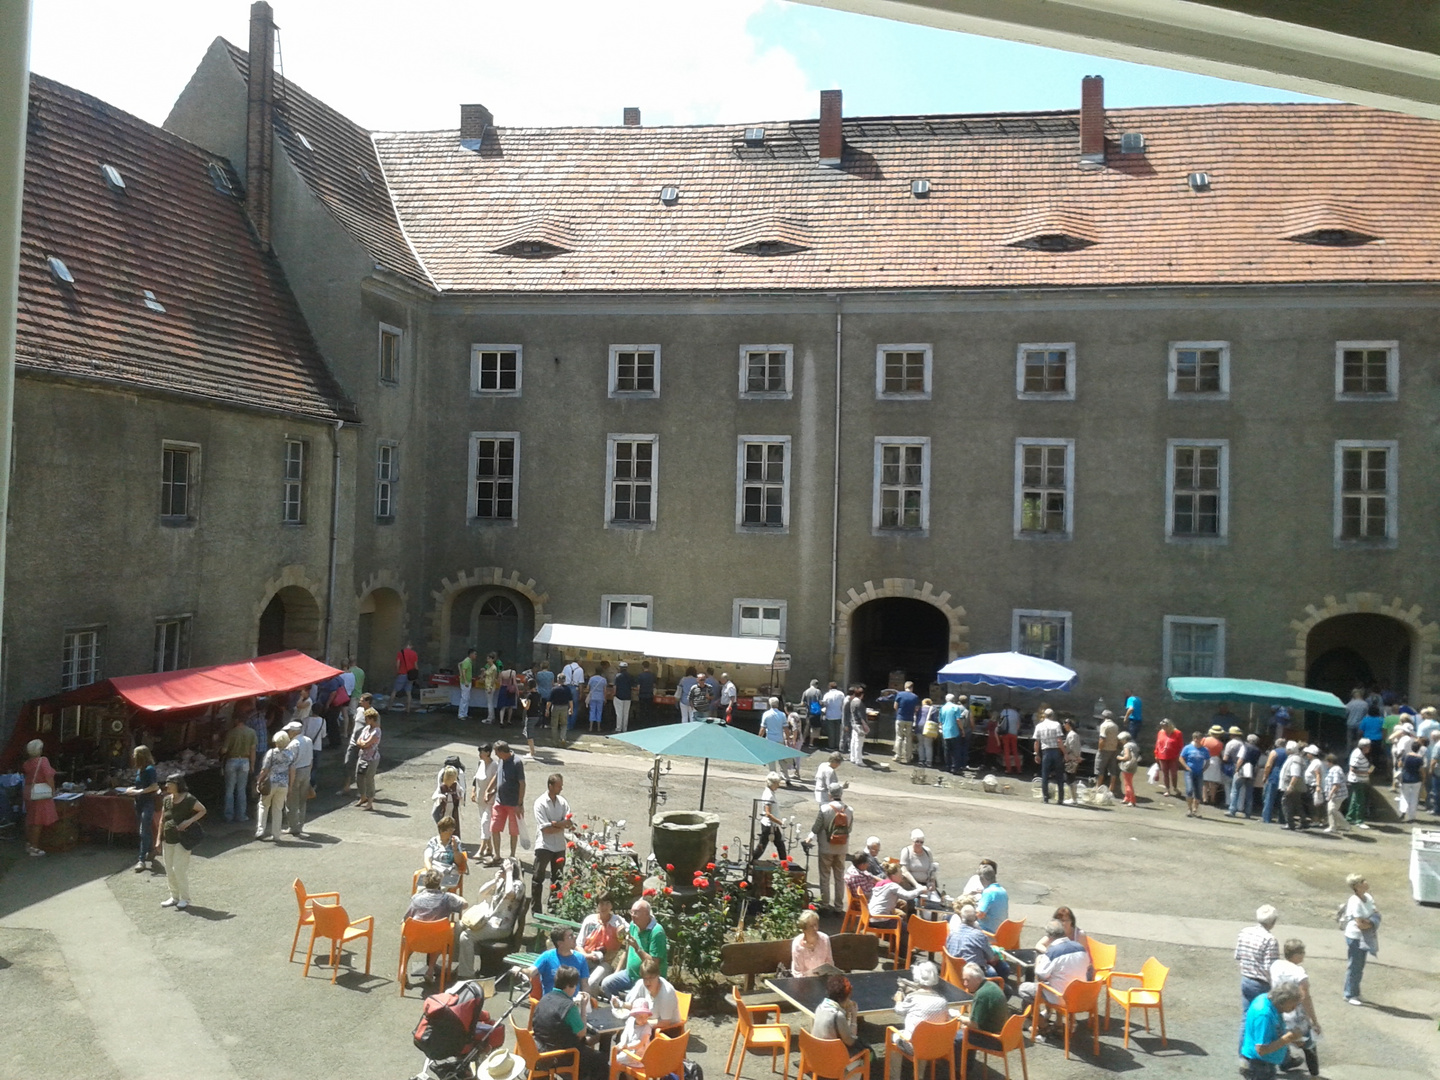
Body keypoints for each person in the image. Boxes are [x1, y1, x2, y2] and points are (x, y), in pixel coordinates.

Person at [532, 966, 606, 1080]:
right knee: (600, 1059)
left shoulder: (544, 998)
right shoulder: (568, 1006)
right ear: (569, 986)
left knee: (589, 1051)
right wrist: (583, 1007)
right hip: (561, 1056)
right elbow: (581, 1032)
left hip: (541, 1048)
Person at [404, 868, 471, 987]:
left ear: (424, 882)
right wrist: (456, 896)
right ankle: (430, 971)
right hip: (436, 940)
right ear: (440, 883)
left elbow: (406, 918)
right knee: (443, 933)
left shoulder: (416, 898)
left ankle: (403, 969)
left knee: (407, 938)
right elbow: (464, 905)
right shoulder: (446, 898)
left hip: (416, 938)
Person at [1018, 922, 1091, 1029]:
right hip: (1078, 996)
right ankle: (1059, 1022)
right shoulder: (1080, 948)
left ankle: (1041, 1023)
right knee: (1057, 980)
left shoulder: (1052, 952)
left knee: (1024, 988)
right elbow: (1087, 966)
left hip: (1060, 997)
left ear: (1050, 937)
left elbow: (1040, 974)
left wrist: (1039, 960)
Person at [1270, 939, 1321, 1077]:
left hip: (1279, 1011)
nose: (1304, 955)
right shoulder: (1298, 972)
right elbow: (1305, 997)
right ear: (1296, 955)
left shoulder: (1275, 965)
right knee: (1309, 1045)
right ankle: (1314, 1075)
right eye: (1302, 952)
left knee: (1280, 1039)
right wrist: (1314, 1021)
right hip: (1295, 1015)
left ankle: (1279, 1065)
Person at [600, 899, 667, 997]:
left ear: (646, 914)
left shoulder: (657, 932)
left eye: (636, 913)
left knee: (632, 998)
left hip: (648, 979)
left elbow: (653, 964)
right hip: (629, 975)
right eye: (632, 912)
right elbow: (627, 951)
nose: (632, 915)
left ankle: (629, 1008)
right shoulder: (633, 925)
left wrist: (637, 948)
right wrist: (616, 972)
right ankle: (619, 1009)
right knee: (607, 984)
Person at [159, 774, 206, 909]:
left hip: (182, 839)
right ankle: (174, 896)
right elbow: (162, 820)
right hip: (167, 839)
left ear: (177, 784)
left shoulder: (188, 799)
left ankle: (185, 898)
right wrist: (158, 839)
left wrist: (189, 821)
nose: (166, 785)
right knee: (169, 868)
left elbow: (202, 810)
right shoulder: (167, 800)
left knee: (178, 869)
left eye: (170, 783)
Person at [1240, 982, 1304, 1080]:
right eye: (1292, 1006)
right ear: (1282, 1001)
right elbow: (1261, 1050)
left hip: (1263, 1064)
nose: (1294, 1009)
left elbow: (1273, 1030)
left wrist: (1292, 1038)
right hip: (1259, 1067)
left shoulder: (1266, 999)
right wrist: (1288, 1038)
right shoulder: (1264, 1015)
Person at [956, 962, 1008, 1073]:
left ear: (978, 979)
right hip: (1005, 1035)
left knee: (955, 1037)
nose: (965, 983)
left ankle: (959, 1072)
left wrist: (959, 1017)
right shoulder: (992, 986)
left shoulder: (981, 995)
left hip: (994, 1039)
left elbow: (974, 1025)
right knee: (965, 1031)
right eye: (963, 979)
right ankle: (966, 1067)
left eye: (968, 980)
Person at [808, 783, 853, 910]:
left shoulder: (824, 809)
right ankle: (839, 906)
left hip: (826, 847)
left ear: (829, 794)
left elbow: (816, 828)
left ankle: (825, 904)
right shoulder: (849, 810)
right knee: (839, 877)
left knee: (825, 876)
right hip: (842, 848)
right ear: (841, 794)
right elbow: (849, 829)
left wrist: (810, 838)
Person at [533, 772, 572, 911]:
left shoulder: (562, 802)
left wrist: (555, 824)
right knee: (538, 878)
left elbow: (569, 823)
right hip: (544, 845)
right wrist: (560, 826)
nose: (561, 789)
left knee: (558, 878)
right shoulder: (540, 803)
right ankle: (536, 909)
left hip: (559, 846)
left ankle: (553, 906)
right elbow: (545, 830)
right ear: (550, 786)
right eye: (558, 786)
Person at [892, 962, 950, 1053]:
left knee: (895, 1035)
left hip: (914, 1046)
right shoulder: (943, 1001)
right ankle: (920, 1067)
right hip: (936, 1045)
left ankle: (895, 1068)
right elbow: (948, 1018)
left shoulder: (913, 998)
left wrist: (898, 1000)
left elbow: (899, 1010)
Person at [811, 974, 865, 1072]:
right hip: (833, 1063)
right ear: (847, 996)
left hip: (816, 1058)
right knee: (867, 1052)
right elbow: (851, 1041)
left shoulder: (819, 1007)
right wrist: (853, 1017)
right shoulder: (837, 1015)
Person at [1340, 873, 1379, 1005]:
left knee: (1360, 966)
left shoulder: (1368, 897)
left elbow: (1376, 914)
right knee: (1354, 966)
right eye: (1363, 881)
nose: (1366, 882)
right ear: (1357, 886)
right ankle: (1349, 994)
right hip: (1355, 937)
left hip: (1365, 936)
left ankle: (1355, 992)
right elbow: (1360, 924)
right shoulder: (1354, 901)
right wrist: (1370, 923)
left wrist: (1370, 922)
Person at [578, 894, 629, 993]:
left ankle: (591, 1006)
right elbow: (578, 944)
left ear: (612, 906)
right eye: (601, 903)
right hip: (586, 958)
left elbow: (631, 932)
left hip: (605, 962)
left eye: (607, 903)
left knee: (591, 983)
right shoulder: (590, 920)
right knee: (570, 976)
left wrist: (622, 932)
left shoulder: (618, 921)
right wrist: (586, 955)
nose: (604, 907)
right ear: (597, 905)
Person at [1235, 904, 1280, 1012]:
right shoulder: (1270, 940)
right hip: (1261, 984)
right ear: (1273, 922)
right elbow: (1269, 967)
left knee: (1247, 1016)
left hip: (1245, 979)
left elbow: (1238, 955)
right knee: (1262, 1015)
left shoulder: (1245, 932)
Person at [121, 745, 159, 872]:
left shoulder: (149, 769)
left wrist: (138, 792)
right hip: (139, 803)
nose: (132, 756)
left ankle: (141, 860)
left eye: (135, 754)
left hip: (148, 803)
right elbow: (141, 785)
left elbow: (154, 786)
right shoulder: (140, 770)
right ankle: (151, 850)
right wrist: (131, 790)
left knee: (143, 830)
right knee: (145, 829)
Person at [485, 740, 526, 859]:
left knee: (513, 831)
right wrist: (489, 790)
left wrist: (520, 803)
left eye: (497, 752)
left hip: (513, 803)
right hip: (500, 801)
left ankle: (512, 855)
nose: (496, 755)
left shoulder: (517, 762)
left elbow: (522, 783)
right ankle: (497, 855)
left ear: (502, 751)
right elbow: (497, 775)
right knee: (494, 828)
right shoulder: (501, 760)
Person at [255, 731, 295, 841]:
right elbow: (292, 771)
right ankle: (276, 834)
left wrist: (259, 780)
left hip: (270, 783)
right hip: (283, 784)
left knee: (263, 805)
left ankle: (260, 830)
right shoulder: (290, 754)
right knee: (278, 809)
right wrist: (290, 786)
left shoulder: (271, 753)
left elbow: (265, 770)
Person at [21, 739, 58, 857]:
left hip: (29, 792)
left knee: (30, 819)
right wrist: (53, 790)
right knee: (38, 821)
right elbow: (48, 777)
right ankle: (34, 847)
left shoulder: (27, 763)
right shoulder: (43, 761)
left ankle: (29, 843)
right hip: (40, 794)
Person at [219, 710, 257, 824]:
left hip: (232, 761)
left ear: (236, 720)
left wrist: (220, 750)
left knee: (229, 790)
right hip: (245, 761)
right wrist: (252, 765)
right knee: (241, 790)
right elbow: (253, 750)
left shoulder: (231, 732)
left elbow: (224, 750)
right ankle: (241, 815)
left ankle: (228, 816)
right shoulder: (252, 732)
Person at [945, 904, 1002, 978]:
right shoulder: (978, 935)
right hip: (972, 975)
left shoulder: (952, 932)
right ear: (975, 919)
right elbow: (991, 958)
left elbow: (947, 948)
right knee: (1002, 968)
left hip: (954, 971)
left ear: (962, 917)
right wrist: (998, 955)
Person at [534, 926, 592, 995]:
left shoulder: (580, 958)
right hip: (552, 1000)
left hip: (572, 1002)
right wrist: (520, 970)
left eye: (573, 934)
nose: (575, 937)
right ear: (560, 943)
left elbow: (585, 984)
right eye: (570, 936)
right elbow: (531, 971)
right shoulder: (548, 956)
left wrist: (586, 996)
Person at [281, 720, 314, 838]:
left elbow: (291, 764)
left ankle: (293, 826)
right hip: (306, 770)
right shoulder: (308, 740)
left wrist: (290, 783)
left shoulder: (293, 744)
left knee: (291, 800)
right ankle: (300, 825)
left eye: (289, 731)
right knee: (302, 800)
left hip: (296, 772)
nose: (288, 733)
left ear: (294, 732)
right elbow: (311, 760)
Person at [338, 693, 372, 797]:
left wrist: (367, 743)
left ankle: (362, 791)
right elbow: (354, 722)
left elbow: (375, 730)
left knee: (362, 768)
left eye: (362, 700)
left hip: (364, 744)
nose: (359, 702)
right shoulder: (359, 710)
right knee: (347, 763)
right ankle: (346, 787)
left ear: (368, 702)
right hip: (353, 742)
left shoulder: (372, 714)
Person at [751, 773, 788, 862]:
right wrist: (780, 822)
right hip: (769, 825)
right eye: (777, 783)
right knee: (764, 845)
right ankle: (752, 861)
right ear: (773, 783)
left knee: (779, 845)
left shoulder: (769, 792)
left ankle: (784, 863)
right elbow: (768, 813)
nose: (778, 786)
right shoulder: (769, 795)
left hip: (771, 825)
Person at [471, 743, 499, 861]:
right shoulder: (480, 763)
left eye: (482, 752)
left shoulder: (495, 765)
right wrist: (473, 791)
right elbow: (475, 779)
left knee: (485, 823)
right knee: (484, 824)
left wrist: (491, 793)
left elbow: (498, 782)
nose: (480, 754)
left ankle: (481, 850)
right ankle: (489, 848)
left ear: (488, 752)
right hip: (480, 798)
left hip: (490, 800)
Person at [425, 815, 467, 891]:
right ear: (442, 831)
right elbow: (427, 859)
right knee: (421, 890)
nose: (452, 832)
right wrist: (431, 872)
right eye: (449, 830)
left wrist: (455, 849)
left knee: (441, 889)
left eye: (453, 829)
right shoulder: (433, 842)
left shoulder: (455, 840)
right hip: (435, 871)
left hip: (449, 872)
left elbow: (459, 862)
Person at [1033, 708, 1064, 803]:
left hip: (1045, 751)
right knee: (1059, 775)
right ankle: (1060, 798)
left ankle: (1046, 797)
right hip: (1056, 751)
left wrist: (1036, 754)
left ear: (1045, 716)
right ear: (1053, 715)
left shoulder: (1039, 726)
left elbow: (1036, 742)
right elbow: (1059, 740)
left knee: (1045, 775)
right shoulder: (1057, 724)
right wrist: (1065, 752)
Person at [792, 909, 835, 976]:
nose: (815, 928)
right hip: (805, 981)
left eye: (816, 925)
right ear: (804, 929)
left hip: (823, 978)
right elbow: (798, 972)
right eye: (811, 926)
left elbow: (829, 963)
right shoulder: (797, 944)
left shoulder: (825, 939)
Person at [354, 707, 382, 810]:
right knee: (359, 777)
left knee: (369, 779)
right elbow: (358, 741)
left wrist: (362, 744)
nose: (365, 721)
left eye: (367, 718)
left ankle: (370, 802)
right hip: (362, 757)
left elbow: (366, 743)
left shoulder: (376, 731)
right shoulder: (366, 729)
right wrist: (362, 744)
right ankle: (363, 797)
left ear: (372, 719)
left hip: (372, 758)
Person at [1229, 734, 1261, 818]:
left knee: (1235, 790)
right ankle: (1248, 812)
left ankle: (1232, 810)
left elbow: (1241, 759)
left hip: (1243, 770)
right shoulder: (1258, 750)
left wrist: (1237, 769)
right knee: (1249, 793)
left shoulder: (1245, 747)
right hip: (1251, 772)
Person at [1180, 730, 1210, 818]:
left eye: (1198, 738)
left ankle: (1195, 809)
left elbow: (1208, 761)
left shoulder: (1205, 750)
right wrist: (1186, 767)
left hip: (1199, 772)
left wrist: (1204, 769)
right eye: (1195, 738)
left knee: (1198, 792)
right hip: (1189, 771)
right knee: (1189, 790)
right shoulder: (1188, 748)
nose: (1196, 740)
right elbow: (1181, 758)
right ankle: (1189, 809)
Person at [1278, 740, 1307, 830]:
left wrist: (1291, 786)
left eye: (1287, 749)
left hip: (1292, 786)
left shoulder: (1294, 759)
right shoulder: (1295, 758)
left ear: (1290, 750)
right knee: (1297, 804)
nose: (1286, 750)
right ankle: (1304, 822)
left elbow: (1295, 774)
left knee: (1285, 802)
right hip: (1296, 787)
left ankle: (1290, 823)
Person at [1346, 738, 1373, 829]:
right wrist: (1366, 773)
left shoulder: (1359, 753)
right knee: (1360, 801)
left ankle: (1350, 817)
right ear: (1364, 747)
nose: (1369, 748)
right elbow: (1352, 769)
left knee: (1355, 799)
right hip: (1357, 780)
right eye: (1368, 746)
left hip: (1359, 780)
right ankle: (1359, 821)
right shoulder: (1358, 754)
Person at [1397, 737, 1426, 821]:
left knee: (1404, 796)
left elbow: (1399, 765)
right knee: (1414, 797)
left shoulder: (1406, 756)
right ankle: (1412, 816)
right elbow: (1422, 770)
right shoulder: (1420, 758)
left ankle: (1403, 812)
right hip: (1416, 779)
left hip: (1406, 778)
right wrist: (1424, 779)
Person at [1261, 736, 1288, 825]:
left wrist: (1265, 776)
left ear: (1276, 744)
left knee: (1269, 797)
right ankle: (1282, 819)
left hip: (1274, 775)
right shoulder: (1288, 753)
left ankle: (1266, 817)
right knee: (1282, 799)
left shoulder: (1274, 752)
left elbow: (1268, 765)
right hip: (1285, 777)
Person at [1154, 719, 1184, 798]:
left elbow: (1180, 745)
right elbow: (1157, 744)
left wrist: (1179, 755)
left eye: (1165, 727)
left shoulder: (1177, 733)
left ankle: (1175, 787)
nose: (1163, 728)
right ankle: (1167, 789)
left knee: (1174, 773)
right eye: (1162, 727)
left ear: (1169, 726)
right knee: (1165, 773)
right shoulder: (1160, 732)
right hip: (1162, 756)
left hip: (1173, 756)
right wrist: (1156, 754)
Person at [976, 864, 1009, 935]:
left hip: (989, 933)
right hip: (1001, 931)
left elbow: (980, 914)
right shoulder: (1002, 890)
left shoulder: (988, 892)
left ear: (982, 879)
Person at [1321, 753, 1349, 834]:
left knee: (1332, 810)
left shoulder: (1335, 770)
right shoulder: (1334, 769)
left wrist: (1330, 793)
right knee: (1330, 810)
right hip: (1336, 794)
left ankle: (1345, 825)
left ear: (1330, 762)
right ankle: (1332, 827)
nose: (1326, 764)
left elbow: (1336, 784)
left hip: (1337, 795)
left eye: (1326, 762)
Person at [892, 682, 919, 765]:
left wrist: (900, 712)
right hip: (910, 719)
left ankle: (898, 756)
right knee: (908, 738)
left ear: (905, 687)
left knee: (899, 737)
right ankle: (908, 757)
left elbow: (895, 706)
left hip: (900, 718)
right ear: (912, 688)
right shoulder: (915, 697)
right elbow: (916, 709)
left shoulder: (900, 694)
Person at [939, 693, 966, 775]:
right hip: (954, 731)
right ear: (954, 700)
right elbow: (958, 720)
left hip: (945, 731)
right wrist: (962, 730)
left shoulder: (942, 708)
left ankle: (948, 766)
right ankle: (955, 768)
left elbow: (940, 721)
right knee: (956, 750)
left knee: (947, 750)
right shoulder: (955, 707)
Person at [1094, 710, 1120, 794]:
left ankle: (1097, 787)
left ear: (1103, 717)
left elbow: (1102, 739)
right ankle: (1111, 788)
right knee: (1112, 769)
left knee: (1100, 769)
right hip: (1113, 749)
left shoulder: (1104, 725)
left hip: (1104, 750)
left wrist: (1099, 749)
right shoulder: (1115, 726)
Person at [844, 685, 870, 766]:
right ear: (862, 695)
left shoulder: (852, 701)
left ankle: (853, 757)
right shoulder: (859, 703)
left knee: (853, 741)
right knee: (859, 743)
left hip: (853, 723)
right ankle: (859, 760)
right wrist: (865, 726)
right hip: (859, 725)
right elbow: (861, 716)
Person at [1061, 717, 1083, 804]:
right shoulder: (1071, 734)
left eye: (1064, 723)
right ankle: (1073, 798)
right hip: (1072, 758)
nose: (1063, 725)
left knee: (1070, 778)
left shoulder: (1072, 735)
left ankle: (1074, 798)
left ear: (1068, 724)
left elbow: (1073, 748)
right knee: (1070, 778)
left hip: (1071, 759)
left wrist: (1076, 757)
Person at [394, 641, 420, 714]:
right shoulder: (414, 653)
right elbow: (416, 665)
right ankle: (408, 709)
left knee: (395, 691)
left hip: (402, 673)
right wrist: (416, 674)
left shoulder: (400, 653)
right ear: (410, 646)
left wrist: (397, 672)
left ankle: (389, 707)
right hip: (410, 675)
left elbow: (398, 664)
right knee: (408, 692)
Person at [547, 675, 574, 746]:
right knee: (564, 724)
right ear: (564, 680)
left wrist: (547, 709)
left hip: (555, 707)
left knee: (554, 725)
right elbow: (570, 700)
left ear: (557, 680)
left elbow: (549, 701)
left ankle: (555, 741)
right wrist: (571, 708)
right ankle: (563, 738)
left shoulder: (554, 689)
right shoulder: (567, 689)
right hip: (564, 707)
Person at [1117, 731, 1141, 806]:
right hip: (1134, 766)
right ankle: (1127, 798)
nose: (1120, 742)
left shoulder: (1126, 746)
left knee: (1128, 784)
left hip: (1127, 766)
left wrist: (1119, 757)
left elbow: (1126, 757)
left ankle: (1132, 800)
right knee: (1128, 782)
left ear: (1124, 739)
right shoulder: (1134, 745)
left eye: (1121, 740)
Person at [821, 681, 846, 751]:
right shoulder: (841, 694)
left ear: (829, 687)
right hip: (839, 715)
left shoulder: (827, 694)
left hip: (830, 715)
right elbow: (844, 704)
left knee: (831, 732)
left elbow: (824, 703)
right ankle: (837, 745)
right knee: (838, 731)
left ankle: (831, 746)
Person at [561, 657, 585, 727]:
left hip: (566, 687)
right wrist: (581, 693)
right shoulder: (580, 670)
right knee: (574, 707)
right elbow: (581, 683)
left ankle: (566, 724)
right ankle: (571, 725)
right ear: (578, 661)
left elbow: (562, 677)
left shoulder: (566, 667)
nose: (582, 663)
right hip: (575, 688)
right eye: (581, 661)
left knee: (566, 706)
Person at [918, 699, 941, 768]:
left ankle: (921, 760)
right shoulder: (933, 709)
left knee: (921, 744)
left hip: (919, 727)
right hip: (928, 728)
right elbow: (935, 720)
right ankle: (928, 762)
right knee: (928, 745)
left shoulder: (920, 709)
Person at [586, 664, 609, 732]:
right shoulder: (603, 680)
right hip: (600, 697)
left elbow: (588, 688)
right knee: (599, 711)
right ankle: (598, 727)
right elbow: (605, 690)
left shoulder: (592, 678)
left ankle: (590, 727)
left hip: (592, 697)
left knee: (592, 711)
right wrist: (605, 698)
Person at [612, 662, 633, 733]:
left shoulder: (618, 676)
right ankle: (625, 729)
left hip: (619, 696)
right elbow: (633, 686)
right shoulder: (630, 676)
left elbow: (615, 687)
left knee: (619, 713)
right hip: (628, 697)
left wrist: (613, 694)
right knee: (626, 713)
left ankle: (618, 728)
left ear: (620, 668)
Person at [458, 647, 477, 721]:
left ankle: (464, 713)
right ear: (471, 654)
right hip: (465, 682)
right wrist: (465, 680)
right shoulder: (467, 661)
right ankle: (461, 714)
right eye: (475, 654)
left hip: (468, 681)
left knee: (466, 698)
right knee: (464, 698)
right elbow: (464, 671)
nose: (475, 656)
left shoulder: (468, 661)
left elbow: (460, 666)